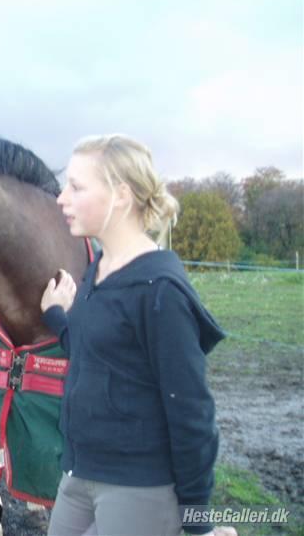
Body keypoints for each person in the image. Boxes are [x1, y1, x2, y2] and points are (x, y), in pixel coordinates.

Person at [40, 134, 237, 536]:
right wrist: (58, 317)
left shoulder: (161, 289)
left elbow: (192, 411)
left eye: (77, 187)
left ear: (121, 196)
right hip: (78, 474)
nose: (62, 198)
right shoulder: (97, 270)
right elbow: (97, 351)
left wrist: (198, 523)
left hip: (138, 487)